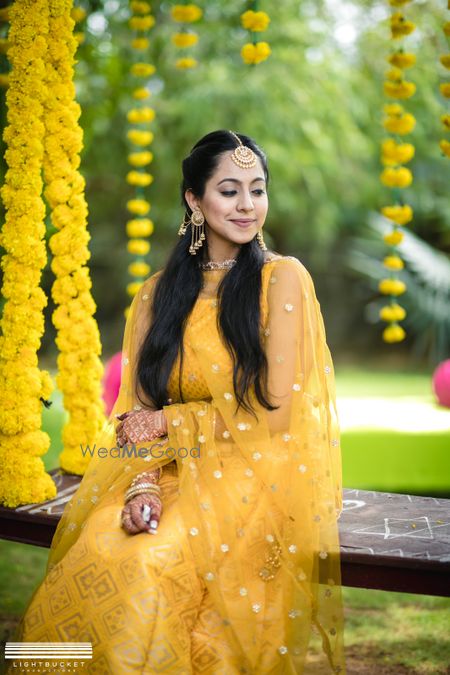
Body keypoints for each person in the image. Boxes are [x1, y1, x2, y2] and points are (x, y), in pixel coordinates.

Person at [10, 130, 345, 674]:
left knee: (151, 565)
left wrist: (169, 421)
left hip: (251, 473)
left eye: (257, 190)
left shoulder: (282, 280)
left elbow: (275, 411)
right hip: (162, 472)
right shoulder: (158, 294)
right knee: (98, 549)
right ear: (194, 199)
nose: (247, 206)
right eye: (230, 190)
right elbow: (132, 413)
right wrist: (142, 487)